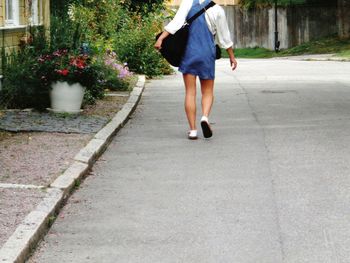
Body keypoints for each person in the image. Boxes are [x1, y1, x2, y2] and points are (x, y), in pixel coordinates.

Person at [155, 0, 237, 140]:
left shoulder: (187, 3)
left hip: (189, 53)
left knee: (190, 93)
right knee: (207, 91)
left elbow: (175, 24)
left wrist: (160, 39)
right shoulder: (217, 10)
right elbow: (224, 37)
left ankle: (193, 130)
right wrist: (232, 57)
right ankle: (204, 117)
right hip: (207, 54)